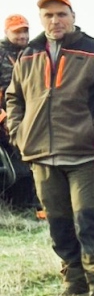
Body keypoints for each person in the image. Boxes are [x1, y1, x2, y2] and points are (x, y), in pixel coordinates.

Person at [6, 0, 94, 296]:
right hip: (41, 155)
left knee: (87, 219)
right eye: (48, 15)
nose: (54, 20)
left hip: (84, 154)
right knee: (58, 223)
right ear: (41, 19)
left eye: (61, 14)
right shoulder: (29, 53)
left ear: (72, 15)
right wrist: (19, 133)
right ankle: (73, 283)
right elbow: (13, 98)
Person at [0, 14, 40, 212]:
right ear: (6, 32)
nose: (22, 35)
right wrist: (3, 117)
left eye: (25, 30)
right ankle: (17, 208)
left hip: (32, 118)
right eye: (17, 32)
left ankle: (33, 206)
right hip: (5, 121)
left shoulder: (34, 53)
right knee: (15, 166)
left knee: (35, 163)